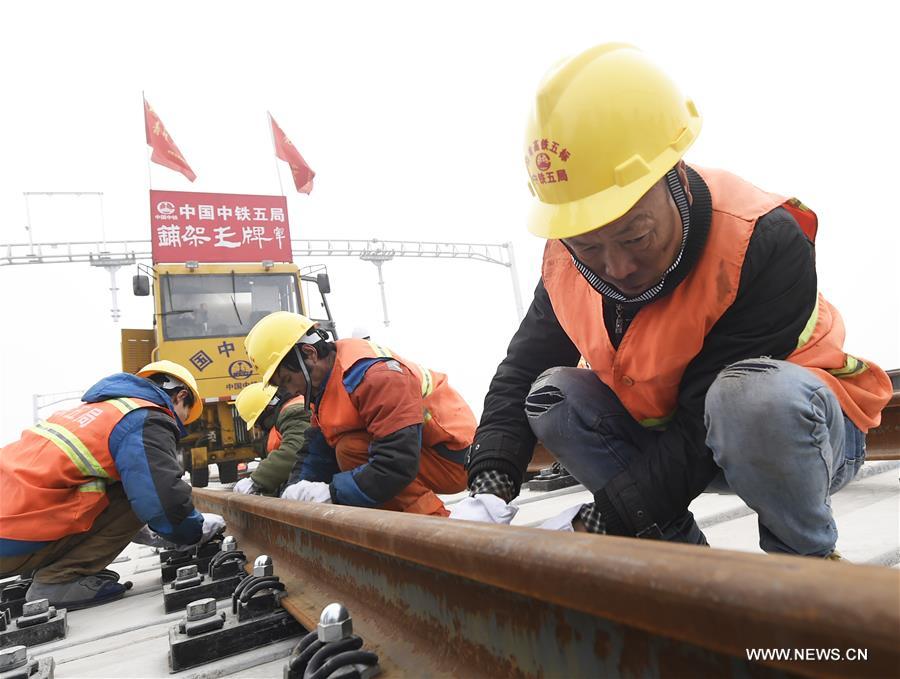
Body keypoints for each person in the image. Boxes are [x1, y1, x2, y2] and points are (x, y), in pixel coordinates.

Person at [456, 43, 892, 558]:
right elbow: (522, 368)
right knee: (552, 394)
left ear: (675, 178)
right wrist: (488, 486)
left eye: (635, 237)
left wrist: (600, 522)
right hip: (671, 443)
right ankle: (680, 563)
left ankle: (805, 567)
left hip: (802, 439)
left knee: (749, 397)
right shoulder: (564, 260)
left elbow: (699, 427)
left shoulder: (761, 240)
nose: (617, 267)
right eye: (589, 247)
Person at [0, 360, 226, 609]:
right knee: (139, 487)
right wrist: (192, 532)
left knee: (133, 483)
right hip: (11, 538)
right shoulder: (145, 415)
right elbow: (160, 499)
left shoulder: (87, 413)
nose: (181, 423)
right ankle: (59, 578)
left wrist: (147, 530)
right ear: (181, 396)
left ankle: (48, 570)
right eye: (185, 415)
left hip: (12, 532)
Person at [245, 312, 475, 516]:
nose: (292, 390)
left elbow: (396, 462)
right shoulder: (324, 388)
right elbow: (317, 448)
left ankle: (431, 527)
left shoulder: (374, 375)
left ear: (310, 354)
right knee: (345, 447)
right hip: (420, 452)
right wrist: (296, 486)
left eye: (287, 379)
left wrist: (332, 492)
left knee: (351, 448)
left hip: (453, 459)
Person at [233, 382, 311, 496]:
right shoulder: (288, 410)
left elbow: (294, 451)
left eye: (258, 422)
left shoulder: (292, 412)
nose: (260, 427)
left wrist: (257, 480)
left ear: (267, 410)